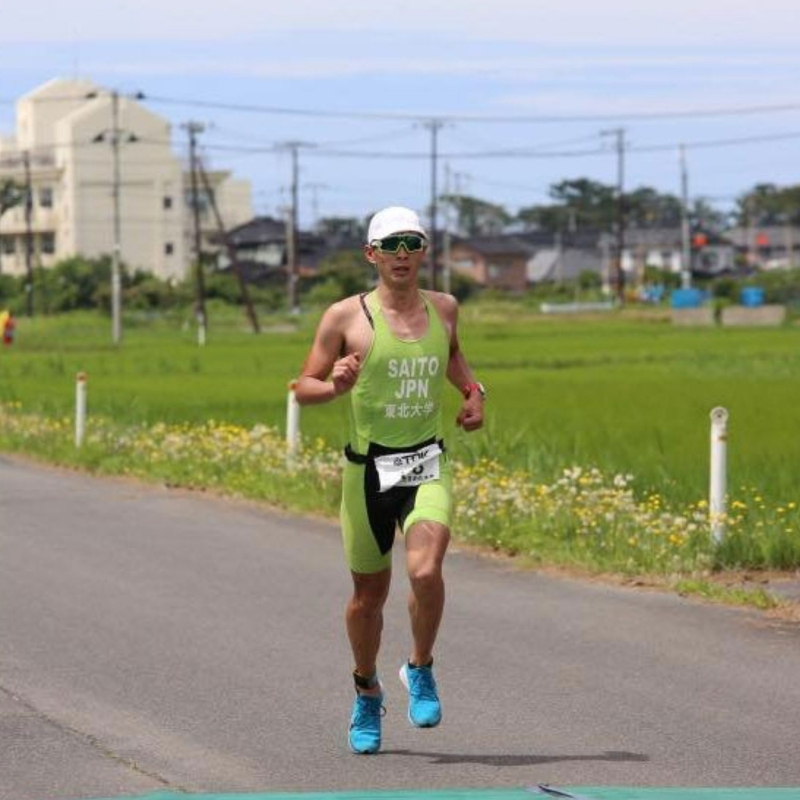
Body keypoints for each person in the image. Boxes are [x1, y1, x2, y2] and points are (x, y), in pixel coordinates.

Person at [294, 206, 485, 754]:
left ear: (424, 251)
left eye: (412, 243)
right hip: (366, 473)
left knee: (426, 573)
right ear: (371, 254)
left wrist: (473, 397)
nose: (402, 255)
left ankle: (420, 667)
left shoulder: (445, 308)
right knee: (366, 599)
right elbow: (301, 385)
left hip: (426, 463)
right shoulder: (343, 318)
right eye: (391, 245)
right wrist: (333, 386)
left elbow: (454, 363)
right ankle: (366, 690)